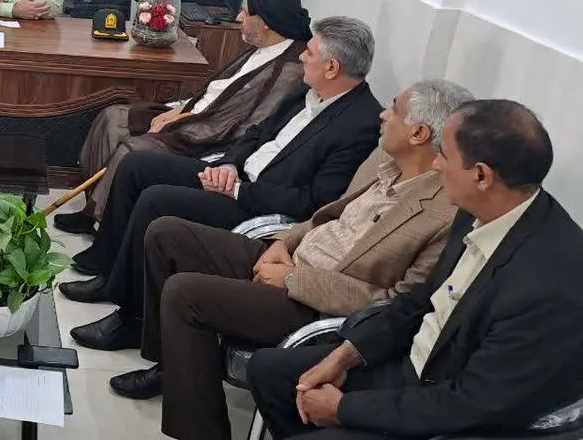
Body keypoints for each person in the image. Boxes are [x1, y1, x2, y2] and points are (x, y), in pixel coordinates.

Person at [108, 79, 472, 440]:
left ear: (418, 133)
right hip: (293, 255)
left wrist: (293, 280)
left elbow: (391, 304)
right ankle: (172, 367)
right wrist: (285, 240)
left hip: (316, 302)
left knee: (185, 293)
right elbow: (327, 215)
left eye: (393, 109)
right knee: (166, 234)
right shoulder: (385, 158)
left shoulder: (445, 215)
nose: (383, 114)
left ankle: (201, 431)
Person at [247, 99, 583, 440]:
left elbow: (472, 403)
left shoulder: (550, 283)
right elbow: (421, 300)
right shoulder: (476, 210)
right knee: (269, 371)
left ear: (481, 175)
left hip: (448, 403)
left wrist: (343, 409)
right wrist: (347, 354)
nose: (435, 164)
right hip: (412, 361)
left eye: (445, 155)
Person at [64, 17, 383, 350]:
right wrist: (229, 164)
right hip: (234, 176)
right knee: (136, 166)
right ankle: (109, 267)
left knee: (156, 200)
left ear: (332, 67)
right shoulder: (308, 89)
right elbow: (256, 133)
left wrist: (238, 189)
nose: (302, 56)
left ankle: (133, 320)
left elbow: (313, 203)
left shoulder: (359, 124)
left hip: (256, 204)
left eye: (311, 53)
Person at [55, 0, 311, 235]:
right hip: (192, 113)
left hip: (206, 136)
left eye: (244, 12)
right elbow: (216, 91)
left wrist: (180, 122)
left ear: (264, 21)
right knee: (111, 118)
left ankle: (108, 227)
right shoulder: (260, 47)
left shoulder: (290, 69)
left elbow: (243, 125)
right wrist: (178, 110)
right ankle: (95, 209)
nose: (238, 17)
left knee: (132, 149)